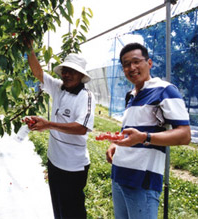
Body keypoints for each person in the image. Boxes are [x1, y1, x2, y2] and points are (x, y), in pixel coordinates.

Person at [106, 42, 191, 219]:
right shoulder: (131, 95)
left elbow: (184, 135)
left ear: (149, 63)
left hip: (141, 181)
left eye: (136, 61)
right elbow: (130, 131)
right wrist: (117, 145)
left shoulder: (165, 90)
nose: (132, 67)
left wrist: (145, 137)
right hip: (119, 175)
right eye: (126, 64)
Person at [25, 41, 96, 219]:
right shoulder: (58, 88)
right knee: (58, 207)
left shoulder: (85, 96)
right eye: (65, 70)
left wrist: (48, 124)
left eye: (71, 71)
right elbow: (38, 73)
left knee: (73, 211)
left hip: (73, 167)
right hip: (54, 161)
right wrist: (29, 48)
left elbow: (82, 128)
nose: (66, 74)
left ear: (81, 75)